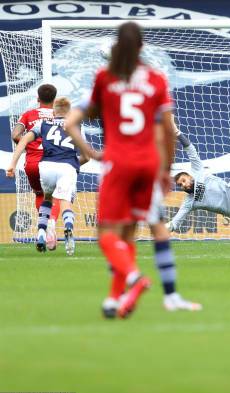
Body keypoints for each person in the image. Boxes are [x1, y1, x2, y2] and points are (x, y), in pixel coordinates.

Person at [64, 21, 180, 319]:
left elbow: (70, 122)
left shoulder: (104, 77)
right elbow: (166, 128)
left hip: (118, 161)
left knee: (106, 234)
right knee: (128, 233)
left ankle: (134, 278)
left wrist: (88, 151)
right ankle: (115, 300)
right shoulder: (156, 79)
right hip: (149, 163)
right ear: (142, 47)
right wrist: (166, 168)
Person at [7, 97, 84, 255]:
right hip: (67, 166)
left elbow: (21, 142)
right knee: (65, 202)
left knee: (46, 198)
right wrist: (74, 165)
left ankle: (41, 233)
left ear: (53, 112)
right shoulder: (75, 125)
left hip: (46, 166)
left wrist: (12, 164)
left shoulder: (42, 124)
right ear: (69, 112)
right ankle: (68, 229)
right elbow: (86, 156)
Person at [12, 84, 62, 250]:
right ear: (54, 100)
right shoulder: (59, 115)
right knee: (54, 195)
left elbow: (15, 135)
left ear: (38, 99)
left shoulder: (28, 115)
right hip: (53, 161)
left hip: (32, 164)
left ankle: (43, 228)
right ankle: (51, 224)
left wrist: (29, 143)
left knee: (40, 194)